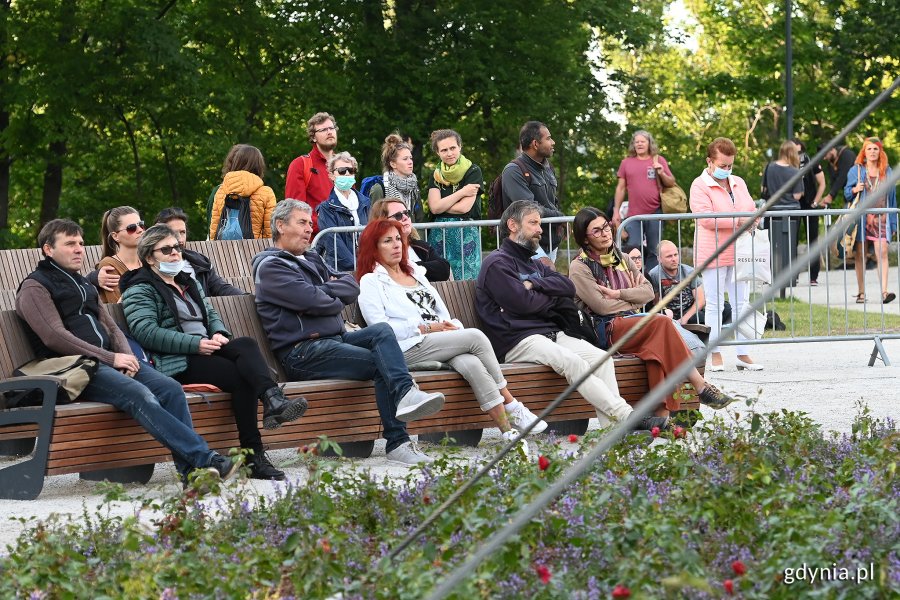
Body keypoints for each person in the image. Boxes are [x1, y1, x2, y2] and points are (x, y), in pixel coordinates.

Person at [16, 219, 240, 485]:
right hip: (74, 369)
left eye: (79, 243)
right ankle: (206, 459)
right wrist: (111, 358)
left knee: (170, 389)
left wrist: (126, 356)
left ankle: (191, 475)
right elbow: (55, 337)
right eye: (69, 244)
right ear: (47, 250)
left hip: (109, 362)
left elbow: (111, 326)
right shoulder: (35, 287)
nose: (79, 249)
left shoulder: (81, 282)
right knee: (139, 394)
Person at [251, 200, 446, 466]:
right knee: (383, 363)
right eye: (302, 223)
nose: (310, 229)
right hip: (304, 352)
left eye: (310, 223)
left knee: (381, 332)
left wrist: (325, 295)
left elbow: (350, 285)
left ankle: (406, 394)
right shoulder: (271, 267)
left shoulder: (311, 257)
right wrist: (329, 297)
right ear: (280, 226)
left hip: (335, 339)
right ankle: (398, 441)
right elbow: (315, 300)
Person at [120, 225, 307, 480]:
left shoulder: (188, 282)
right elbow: (147, 332)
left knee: (246, 345)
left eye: (177, 248)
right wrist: (194, 344)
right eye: (166, 250)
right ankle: (256, 450)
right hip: (178, 360)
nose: (175, 254)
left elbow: (211, 315)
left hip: (208, 348)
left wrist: (220, 333)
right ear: (149, 257)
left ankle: (273, 400)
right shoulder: (139, 289)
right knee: (242, 376)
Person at [475, 200, 668, 431]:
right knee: (573, 362)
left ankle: (614, 433)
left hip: (549, 333)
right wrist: (549, 296)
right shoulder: (497, 264)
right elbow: (524, 304)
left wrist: (534, 284)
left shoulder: (534, 263)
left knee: (602, 359)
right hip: (516, 340)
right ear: (513, 225)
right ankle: (628, 417)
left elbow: (566, 287)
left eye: (540, 223)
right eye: (533, 223)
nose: (540, 229)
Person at [356, 218, 548, 438]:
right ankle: (512, 403)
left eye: (399, 239)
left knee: (472, 363)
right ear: (374, 247)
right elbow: (381, 329)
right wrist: (427, 327)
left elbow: (443, 314)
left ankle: (508, 432)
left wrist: (451, 326)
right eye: (387, 241)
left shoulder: (415, 274)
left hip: (438, 342)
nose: (397, 245)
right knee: (475, 337)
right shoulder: (372, 281)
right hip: (406, 348)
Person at [568, 208, 734, 413]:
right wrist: (632, 297)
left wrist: (619, 294)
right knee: (661, 322)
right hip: (605, 329)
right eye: (597, 231)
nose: (605, 233)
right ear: (585, 239)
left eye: (606, 227)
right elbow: (601, 307)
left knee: (655, 351)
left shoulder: (622, 258)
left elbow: (647, 293)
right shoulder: (580, 266)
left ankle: (662, 415)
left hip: (633, 322)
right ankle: (701, 387)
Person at [689, 137, 763, 372]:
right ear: (709, 161)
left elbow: (751, 209)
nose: (727, 170)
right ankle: (715, 352)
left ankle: (743, 352)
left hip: (740, 251)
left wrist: (754, 218)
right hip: (713, 251)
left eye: (730, 165)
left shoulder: (738, 182)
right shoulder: (699, 185)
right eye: (722, 166)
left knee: (741, 303)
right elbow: (706, 218)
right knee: (715, 304)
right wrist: (742, 220)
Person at [611, 130, 677, 273]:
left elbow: (671, 182)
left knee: (654, 249)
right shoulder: (626, 163)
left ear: (649, 143)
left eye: (643, 141)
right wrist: (616, 211)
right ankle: (635, 280)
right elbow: (620, 188)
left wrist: (661, 172)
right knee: (633, 247)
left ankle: (652, 283)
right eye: (637, 141)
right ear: (633, 145)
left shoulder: (658, 160)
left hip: (655, 212)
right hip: (634, 215)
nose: (639, 144)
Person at [500, 121, 565, 267]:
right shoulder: (513, 170)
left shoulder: (548, 168)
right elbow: (530, 210)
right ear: (535, 144)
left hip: (550, 238)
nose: (553, 142)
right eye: (548, 138)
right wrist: (561, 217)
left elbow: (552, 202)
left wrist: (560, 225)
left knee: (544, 283)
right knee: (548, 274)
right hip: (525, 239)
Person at [844, 137, 897, 304]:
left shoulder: (887, 171)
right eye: (869, 149)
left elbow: (893, 198)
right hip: (861, 219)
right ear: (864, 152)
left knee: (882, 252)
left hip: (881, 219)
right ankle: (861, 292)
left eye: (876, 149)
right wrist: (854, 189)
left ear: (880, 151)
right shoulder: (856, 170)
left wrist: (894, 223)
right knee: (860, 255)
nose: (873, 152)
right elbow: (846, 193)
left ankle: (884, 292)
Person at [426, 129, 484, 280]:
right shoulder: (436, 174)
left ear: (460, 147)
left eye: (452, 148)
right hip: (439, 235)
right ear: (438, 153)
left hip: (465, 233)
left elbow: (464, 208)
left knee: (467, 281)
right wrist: (462, 192)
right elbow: (433, 208)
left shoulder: (473, 170)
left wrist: (441, 205)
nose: (449, 153)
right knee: (441, 281)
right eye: (444, 150)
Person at [154, 207, 245, 297]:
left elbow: (219, 287)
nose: (180, 239)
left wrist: (247, 297)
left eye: (182, 232)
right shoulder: (156, 266)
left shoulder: (200, 262)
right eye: (173, 233)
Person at [370, 198, 451, 281]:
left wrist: (410, 266)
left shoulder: (420, 247)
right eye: (398, 216)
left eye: (406, 213)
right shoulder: (376, 251)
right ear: (382, 222)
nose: (405, 218)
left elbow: (444, 270)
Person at [315, 152, 370, 272]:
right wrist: (356, 267)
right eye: (342, 171)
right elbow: (333, 243)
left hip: (367, 266)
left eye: (351, 170)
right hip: (341, 271)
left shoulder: (366, 203)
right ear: (331, 175)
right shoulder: (326, 208)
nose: (347, 174)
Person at [647, 240, 706, 353]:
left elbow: (700, 300)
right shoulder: (654, 274)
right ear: (659, 259)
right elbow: (656, 302)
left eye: (675, 254)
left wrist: (685, 318)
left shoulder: (689, 271)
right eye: (669, 256)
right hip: (669, 314)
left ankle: (700, 350)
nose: (674, 259)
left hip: (690, 312)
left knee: (717, 311)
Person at [285, 112, 339, 234]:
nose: (329, 132)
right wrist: (327, 227)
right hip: (315, 242)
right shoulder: (300, 165)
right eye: (323, 129)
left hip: (346, 239)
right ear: (313, 137)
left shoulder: (345, 166)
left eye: (332, 128)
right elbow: (296, 211)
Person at [208, 144, 276, 240]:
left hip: (223, 250)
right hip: (255, 252)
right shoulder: (266, 193)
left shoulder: (221, 191)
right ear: (258, 165)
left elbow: (214, 230)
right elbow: (270, 232)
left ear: (235, 163)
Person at [762, 140, 804, 289]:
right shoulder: (795, 171)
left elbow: (764, 188)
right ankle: (790, 276)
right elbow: (798, 195)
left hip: (773, 210)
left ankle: (773, 276)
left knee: (773, 245)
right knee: (791, 244)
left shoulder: (770, 168)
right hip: (791, 210)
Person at [792, 138, 827, 285]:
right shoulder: (787, 165)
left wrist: (815, 202)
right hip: (793, 206)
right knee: (791, 240)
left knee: (813, 240)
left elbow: (822, 183)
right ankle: (793, 275)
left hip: (810, 205)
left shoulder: (811, 163)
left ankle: (813, 277)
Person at [368, 133, 424, 222]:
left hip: (411, 234)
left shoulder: (413, 187)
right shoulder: (379, 189)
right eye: (405, 159)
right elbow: (375, 222)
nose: (410, 162)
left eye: (411, 158)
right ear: (393, 164)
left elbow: (419, 219)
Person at [96, 206, 145, 303]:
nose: (140, 230)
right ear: (115, 236)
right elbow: (118, 308)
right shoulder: (109, 266)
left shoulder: (149, 260)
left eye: (141, 225)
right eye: (131, 228)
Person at [820, 142, 857, 207]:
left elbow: (843, 176)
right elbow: (833, 183)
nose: (824, 158)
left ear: (831, 150)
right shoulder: (831, 164)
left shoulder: (847, 155)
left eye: (825, 155)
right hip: (848, 194)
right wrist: (829, 197)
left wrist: (831, 195)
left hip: (859, 192)